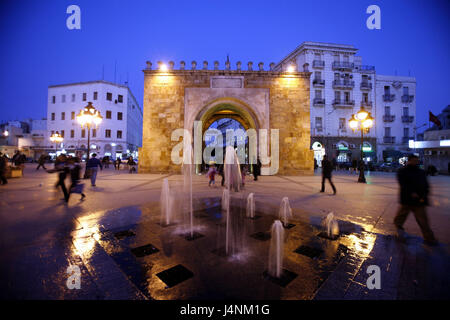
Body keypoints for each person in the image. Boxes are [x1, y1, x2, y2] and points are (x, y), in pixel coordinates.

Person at [394, 155, 437, 246]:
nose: (416, 162)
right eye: (414, 160)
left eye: (417, 160)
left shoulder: (421, 172)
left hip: (419, 201)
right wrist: (412, 192)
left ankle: (429, 238)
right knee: (399, 218)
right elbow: (403, 184)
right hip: (407, 199)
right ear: (409, 161)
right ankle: (400, 231)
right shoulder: (402, 171)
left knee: (423, 220)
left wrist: (424, 195)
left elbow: (426, 185)